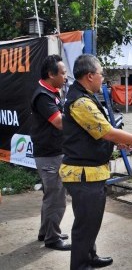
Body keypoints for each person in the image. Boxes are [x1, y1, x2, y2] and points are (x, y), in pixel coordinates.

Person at [59, 54, 132, 269]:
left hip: (91, 172)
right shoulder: (81, 102)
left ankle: (90, 256)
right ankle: (80, 265)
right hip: (83, 174)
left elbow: (94, 133)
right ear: (89, 76)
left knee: (91, 221)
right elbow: (107, 132)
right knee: (85, 225)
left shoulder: (86, 96)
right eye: (101, 74)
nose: (103, 78)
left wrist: (119, 143)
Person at [30, 54, 71, 251]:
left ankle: (46, 231)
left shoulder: (51, 92)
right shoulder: (43, 96)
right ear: (50, 74)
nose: (65, 76)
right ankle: (52, 238)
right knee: (56, 197)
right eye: (62, 73)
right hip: (49, 155)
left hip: (53, 152)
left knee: (51, 195)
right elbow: (59, 122)